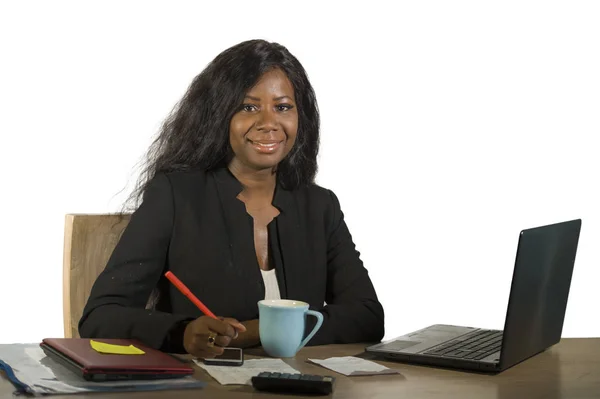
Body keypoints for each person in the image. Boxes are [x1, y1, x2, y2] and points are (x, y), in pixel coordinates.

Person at [79, 39, 384, 359]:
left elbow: (366, 317)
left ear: (300, 118)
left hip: (303, 386)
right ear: (218, 115)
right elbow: (100, 316)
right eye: (248, 107)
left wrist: (254, 331)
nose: (269, 123)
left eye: (283, 107)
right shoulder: (173, 196)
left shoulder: (320, 206)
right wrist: (182, 332)